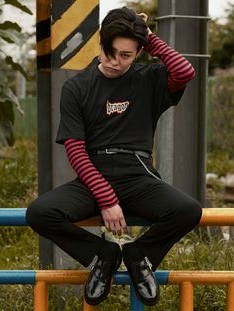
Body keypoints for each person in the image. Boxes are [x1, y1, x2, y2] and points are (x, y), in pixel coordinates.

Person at [26, 7, 202, 306]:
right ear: (101, 43)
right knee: (39, 213)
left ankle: (139, 255)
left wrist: (148, 37)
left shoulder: (149, 78)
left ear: (137, 52)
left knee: (189, 210)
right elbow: (75, 149)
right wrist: (106, 199)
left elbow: (184, 71)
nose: (115, 62)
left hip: (138, 173)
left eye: (126, 55)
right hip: (92, 174)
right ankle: (101, 255)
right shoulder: (76, 87)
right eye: (111, 52)